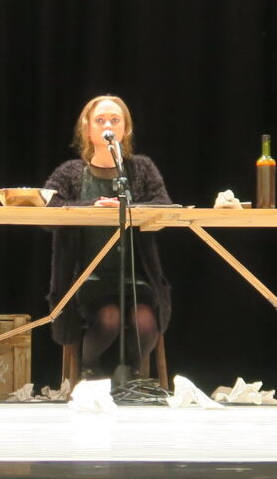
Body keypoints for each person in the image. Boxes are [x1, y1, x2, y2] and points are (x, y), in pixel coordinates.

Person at [42, 95, 174, 382]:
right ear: (87, 129)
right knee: (109, 319)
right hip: (89, 278)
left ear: (126, 129)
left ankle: (129, 377)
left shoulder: (141, 169)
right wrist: (92, 207)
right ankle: (90, 371)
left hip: (136, 278)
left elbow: (163, 204)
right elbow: (48, 208)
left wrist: (130, 208)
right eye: (100, 120)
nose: (108, 126)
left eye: (115, 120)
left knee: (144, 322)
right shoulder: (70, 172)